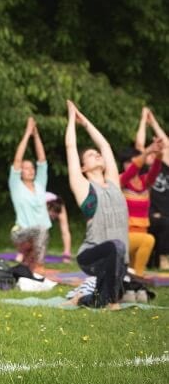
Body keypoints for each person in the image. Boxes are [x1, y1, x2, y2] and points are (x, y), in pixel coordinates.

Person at [63, 101, 128, 309]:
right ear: (83, 167)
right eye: (91, 155)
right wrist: (72, 119)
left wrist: (86, 122)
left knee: (102, 300)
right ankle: (111, 299)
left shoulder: (113, 182)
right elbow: (70, 147)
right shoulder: (84, 187)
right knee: (116, 248)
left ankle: (82, 299)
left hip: (118, 260)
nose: (98, 155)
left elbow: (105, 146)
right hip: (92, 255)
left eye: (96, 154)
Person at [8, 116, 51, 275]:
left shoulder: (40, 184)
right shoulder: (16, 186)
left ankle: (30, 268)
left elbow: (42, 160)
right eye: (26, 168)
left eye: (32, 168)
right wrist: (27, 134)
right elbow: (17, 160)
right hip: (21, 233)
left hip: (40, 235)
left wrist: (36, 135)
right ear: (20, 172)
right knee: (40, 230)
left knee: (42, 231)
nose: (31, 170)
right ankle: (38, 265)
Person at [120, 126, 163, 276]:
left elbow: (156, 170)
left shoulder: (145, 182)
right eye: (129, 162)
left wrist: (159, 153)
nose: (132, 166)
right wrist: (147, 150)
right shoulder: (121, 181)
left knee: (128, 271)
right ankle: (139, 277)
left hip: (141, 232)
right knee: (149, 240)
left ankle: (133, 281)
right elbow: (132, 170)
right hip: (125, 235)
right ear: (124, 164)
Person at [135, 107, 169, 270]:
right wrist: (143, 120)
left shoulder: (164, 165)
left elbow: (166, 144)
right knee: (164, 223)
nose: (150, 155)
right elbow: (139, 145)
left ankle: (162, 257)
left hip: (166, 211)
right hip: (149, 213)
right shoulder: (143, 169)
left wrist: (153, 121)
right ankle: (162, 258)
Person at [45, 193, 73, 263]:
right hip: (39, 202)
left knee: (65, 229)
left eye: (55, 215)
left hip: (55, 203)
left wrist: (67, 255)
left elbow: (65, 232)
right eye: (53, 215)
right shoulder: (41, 205)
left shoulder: (60, 207)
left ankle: (67, 254)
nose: (54, 218)